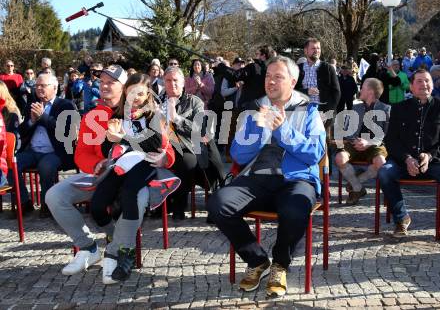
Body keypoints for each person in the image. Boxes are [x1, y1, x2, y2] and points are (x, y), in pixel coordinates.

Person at [208, 56, 326, 298]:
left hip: (296, 180)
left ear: (292, 81)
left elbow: (315, 153)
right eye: (268, 76)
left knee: (297, 207)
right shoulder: (254, 110)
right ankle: (257, 260)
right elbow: (237, 154)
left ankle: (280, 264)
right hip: (258, 180)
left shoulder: (310, 111)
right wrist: (261, 129)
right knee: (218, 204)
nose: (270, 82)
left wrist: (282, 129)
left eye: (278, 77)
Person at [46, 65, 169, 284]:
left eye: (110, 82)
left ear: (126, 87)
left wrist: (163, 158)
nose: (103, 85)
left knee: (137, 197)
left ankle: (117, 251)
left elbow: (167, 149)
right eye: (101, 81)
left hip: (137, 174)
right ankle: (88, 247)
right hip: (101, 175)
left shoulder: (146, 112)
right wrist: (97, 164)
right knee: (55, 195)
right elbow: (81, 153)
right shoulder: (93, 115)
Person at [89, 73, 175, 283]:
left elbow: (155, 143)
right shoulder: (118, 114)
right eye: (131, 91)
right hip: (121, 163)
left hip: (146, 163)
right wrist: (109, 139)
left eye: (140, 93)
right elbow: (108, 146)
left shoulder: (153, 115)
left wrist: (124, 137)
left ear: (147, 95)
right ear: (125, 91)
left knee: (130, 194)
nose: (135, 97)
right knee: (97, 205)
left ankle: (126, 252)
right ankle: (115, 234)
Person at [378, 69, 440, 237]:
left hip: (433, 163)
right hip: (401, 161)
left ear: (433, 85)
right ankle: (401, 218)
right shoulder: (399, 108)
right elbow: (391, 140)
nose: (424, 84)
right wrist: (406, 158)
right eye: (419, 81)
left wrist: (429, 155)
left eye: (427, 80)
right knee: (384, 173)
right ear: (411, 87)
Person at [15, 73, 77, 218]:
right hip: (33, 151)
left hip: (55, 152)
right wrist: (31, 121)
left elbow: (66, 131)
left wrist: (43, 117)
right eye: (37, 86)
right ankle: (24, 202)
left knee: (46, 166)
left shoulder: (66, 105)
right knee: (13, 164)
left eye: (43, 85)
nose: (39, 88)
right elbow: (22, 132)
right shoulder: (32, 105)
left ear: (55, 88)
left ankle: (48, 204)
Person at [335, 78, 390, 205]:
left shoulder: (386, 109)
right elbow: (347, 131)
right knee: (339, 158)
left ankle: (355, 183)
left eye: (363, 87)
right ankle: (358, 188)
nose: (360, 90)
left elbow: (387, 135)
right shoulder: (355, 107)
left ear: (370, 92)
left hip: (375, 145)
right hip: (354, 144)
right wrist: (355, 141)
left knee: (381, 162)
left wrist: (368, 143)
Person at [160, 66, 205, 219]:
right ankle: (158, 203)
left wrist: (176, 118)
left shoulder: (195, 102)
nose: (172, 84)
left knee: (186, 163)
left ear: (183, 82)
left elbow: (198, 130)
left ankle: (178, 205)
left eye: (175, 80)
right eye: (168, 80)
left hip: (186, 146)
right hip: (161, 146)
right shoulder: (156, 101)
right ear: (163, 83)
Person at [212, 45, 275, 110]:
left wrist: (219, 65)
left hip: (249, 106)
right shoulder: (272, 69)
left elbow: (235, 75)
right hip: (264, 107)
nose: (255, 56)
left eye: (257, 54)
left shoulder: (254, 67)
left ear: (263, 55)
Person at [296, 38, 341, 122]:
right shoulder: (297, 69)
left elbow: (336, 93)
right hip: (302, 114)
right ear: (306, 51)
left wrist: (326, 115)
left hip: (323, 115)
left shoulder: (328, 68)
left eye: (318, 48)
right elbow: (291, 90)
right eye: (313, 48)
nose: (317, 51)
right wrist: (306, 91)